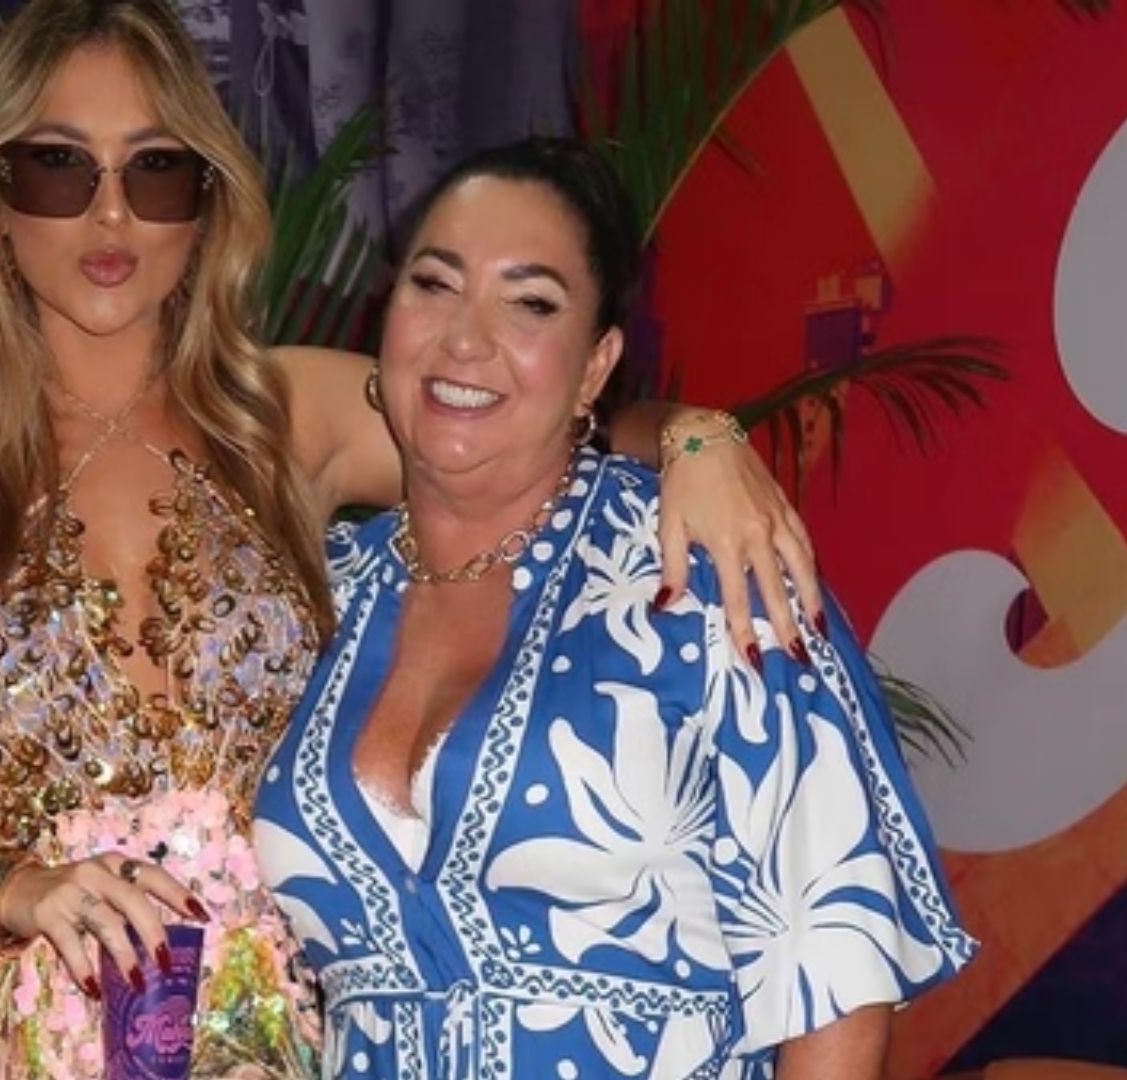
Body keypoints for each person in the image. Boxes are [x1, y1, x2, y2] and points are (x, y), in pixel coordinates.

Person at [0, 2, 825, 1077]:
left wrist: (699, 437)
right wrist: (11, 892)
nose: (111, 215)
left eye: (157, 170)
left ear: (207, 200)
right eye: (58, 168)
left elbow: (529, 423)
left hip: (260, 1033)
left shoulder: (281, 420)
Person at [251, 137, 977, 1079]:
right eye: (434, 284)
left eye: (530, 303)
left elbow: (833, 972)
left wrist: (695, 433)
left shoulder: (701, 571)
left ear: (595, 367)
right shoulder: (311, 606)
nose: (465, 337)